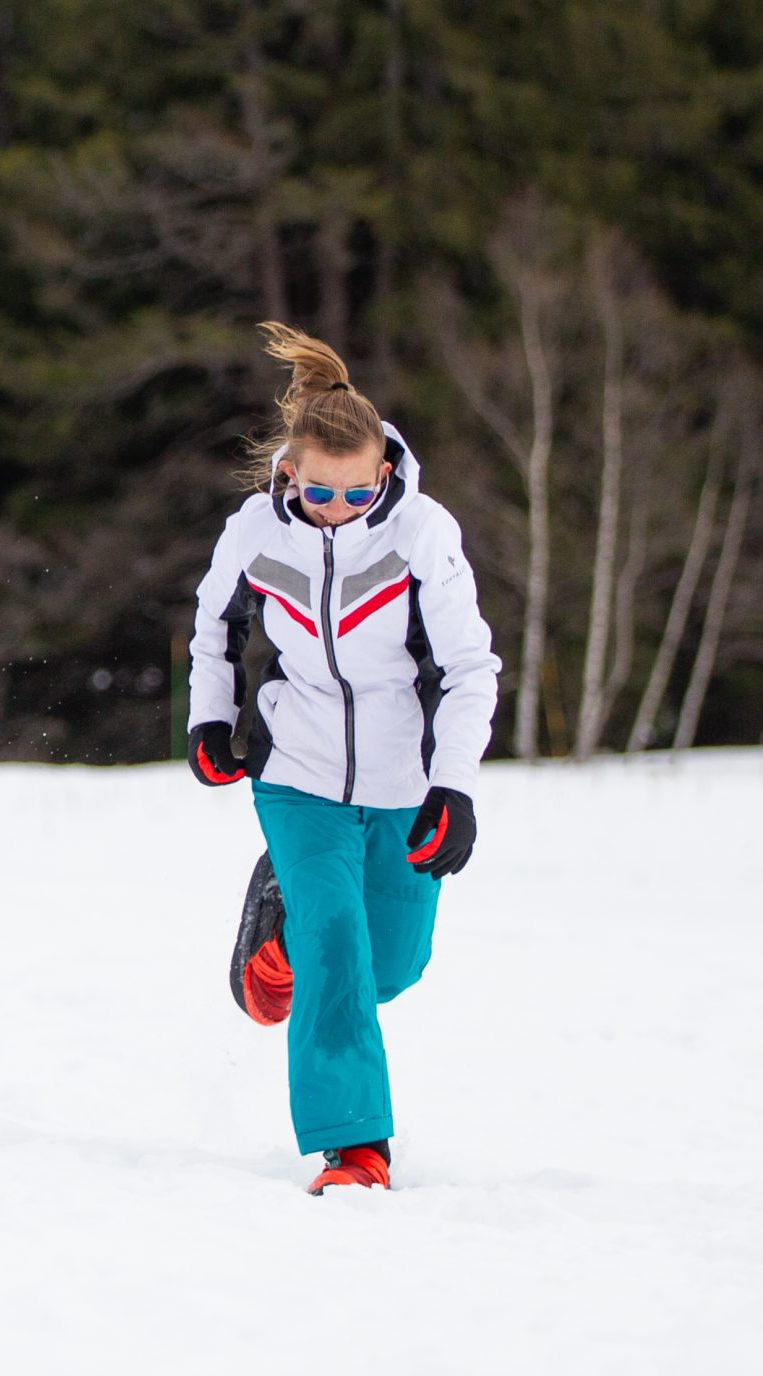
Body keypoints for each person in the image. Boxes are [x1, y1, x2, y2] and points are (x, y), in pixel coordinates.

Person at [186, 322, 500, 1192]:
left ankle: (277, 918)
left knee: (389, 966)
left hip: (403, 773)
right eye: (318, 494)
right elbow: (215, 630)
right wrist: (211, 724)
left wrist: (455, 789)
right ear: (291, 474)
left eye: (356, 496)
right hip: (298, 774)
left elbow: (472, 667)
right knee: (338, 947)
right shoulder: (255, 532)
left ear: (383, 476)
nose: (335, 510)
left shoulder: (422, 536)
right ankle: (354, 1146)